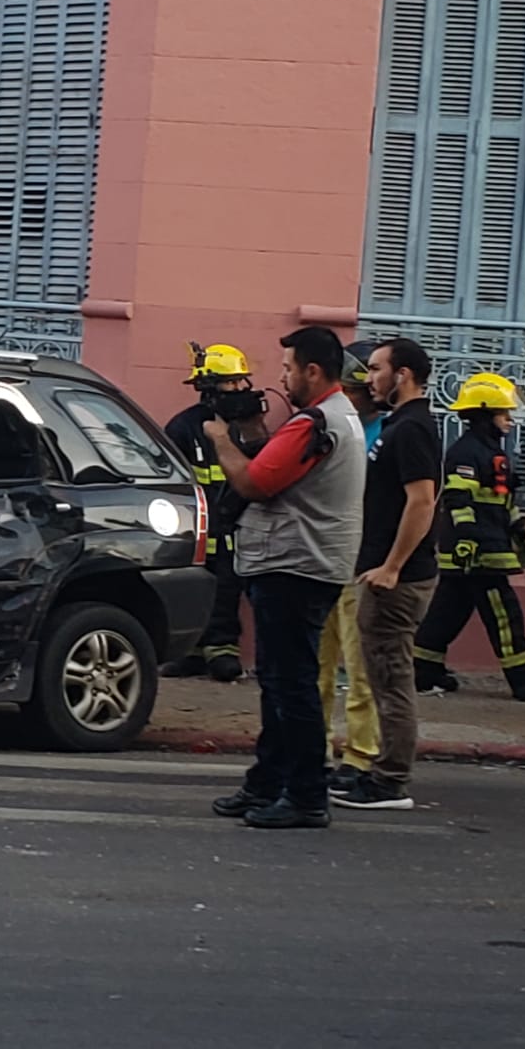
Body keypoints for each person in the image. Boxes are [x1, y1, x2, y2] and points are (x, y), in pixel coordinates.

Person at [206, 327, 366, 829]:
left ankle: (304, 795)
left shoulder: (316, 421)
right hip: (306, 563)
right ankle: (268, 783)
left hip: (294, 565)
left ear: (313, 371)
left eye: (288, 368)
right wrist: (254, 433)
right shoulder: (339, 418)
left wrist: (220, 441)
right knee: (281, 683)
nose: (283, 377)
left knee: (290, 686)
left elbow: (255, 482)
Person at [332, 337, 441, 812]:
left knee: (391, 681)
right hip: (375, 569)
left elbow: (422, 502)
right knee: (378, 677)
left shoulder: (412, 428)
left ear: (403, 375)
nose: (369, 377)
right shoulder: (398, 424)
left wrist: (392, 567)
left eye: (376, 369)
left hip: (396, 579)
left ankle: (389, 779)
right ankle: (378, 772)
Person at [413, 373, 525, 701]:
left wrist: (519, 534)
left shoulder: (487, 451)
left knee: (447, 613)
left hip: (483, 547)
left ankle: (423, 671)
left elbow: (502, 500)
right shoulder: (465, 453)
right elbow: (459, 500)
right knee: (503, 614)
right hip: (478, 551)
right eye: (504, 414)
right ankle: (524, 682)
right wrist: (468, 540)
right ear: (485, 415)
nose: (510, 421)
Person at [162, 343, 264, 682]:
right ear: (207, 387)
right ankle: (191, 652)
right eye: (229, 382)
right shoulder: (183, 428)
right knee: (194, 587)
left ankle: (222, 650)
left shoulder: (249, 426)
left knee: (228, 587)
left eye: (241, 382)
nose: (238, 389)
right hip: (196, 527)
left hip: (238, 526)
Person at [317, 340, 383, 790]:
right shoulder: (335, 427)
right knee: (319, 668)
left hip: (362, 566)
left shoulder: (387, 436)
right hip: (327, 561)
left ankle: (360, 756)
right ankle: (315, 748)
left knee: (361, 673)